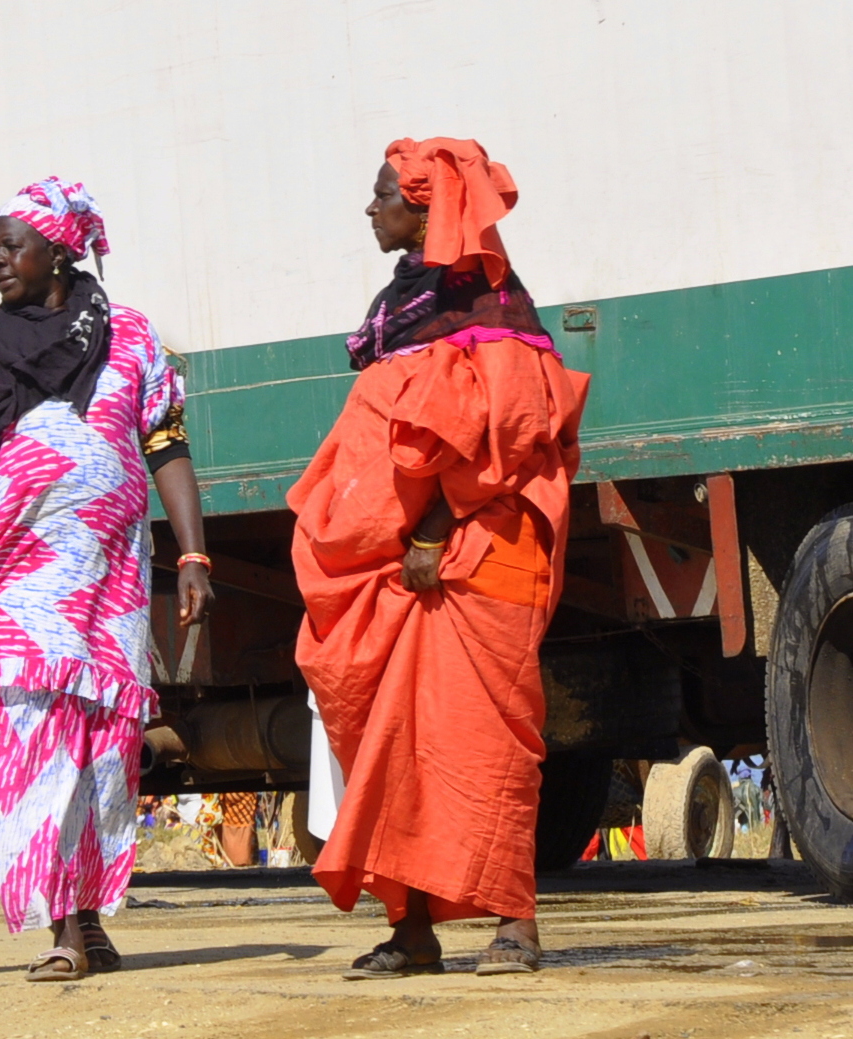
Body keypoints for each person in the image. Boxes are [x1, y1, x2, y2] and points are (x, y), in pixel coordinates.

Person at [0, 178, 213, 982]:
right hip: (16, 586)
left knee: (106, 749)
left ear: (58, 252)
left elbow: (165, 445)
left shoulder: (130, 338)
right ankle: (62, 923)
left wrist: (195, 554)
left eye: (10, 246)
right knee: (37, 741)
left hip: (110, 579)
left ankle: (92, 916)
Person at [288, 138, 589, 978]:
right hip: (392, 571)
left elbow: (512, 434)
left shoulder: (487, 307)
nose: (370, 208)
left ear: (425, 209)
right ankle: (411, 927)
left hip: (471, 557)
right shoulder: (411, 302)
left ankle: (514, 925)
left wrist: (431, 534)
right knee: (388, 741)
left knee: (484, 740)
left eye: (383, 195)